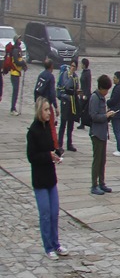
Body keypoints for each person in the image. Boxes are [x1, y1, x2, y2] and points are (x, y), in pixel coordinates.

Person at [28, 96, 64, 257]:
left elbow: (51, 148)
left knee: (54, 212)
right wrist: (48, 156)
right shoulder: (33, 131)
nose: (49, 112)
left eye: (49, 109)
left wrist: (56, 155)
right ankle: (48, 246)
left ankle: (56, 243)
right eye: (46, 110)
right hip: (40, 179)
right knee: (45, 214)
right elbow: (32, 156)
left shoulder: (47, 129)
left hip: (50, 176)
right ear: (39, 111)